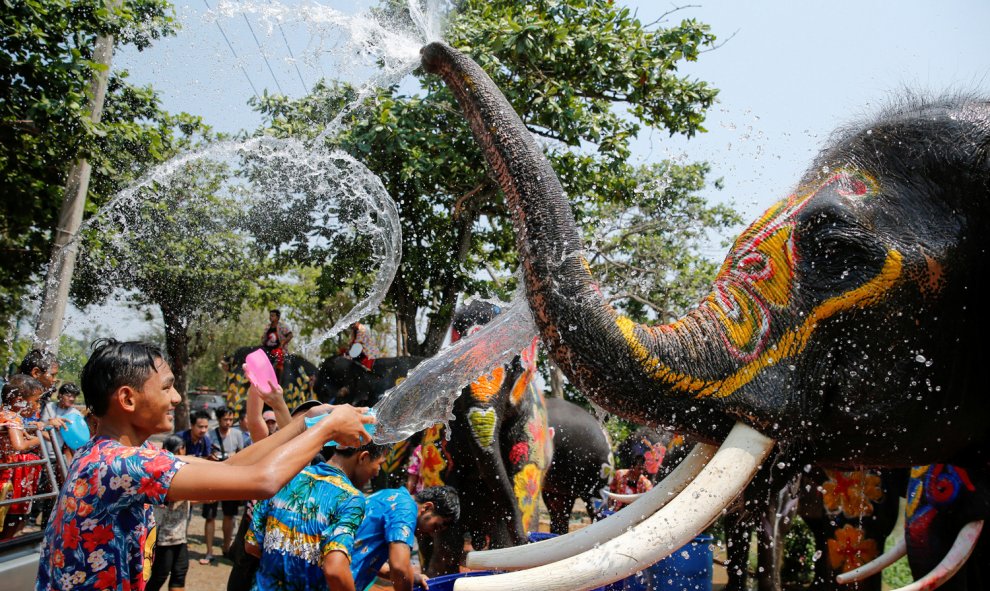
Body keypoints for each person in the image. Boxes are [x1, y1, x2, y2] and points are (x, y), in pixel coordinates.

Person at [35, 338, 374, 591]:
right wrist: (329, 429)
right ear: (127, 398)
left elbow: (231, 469)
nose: (177, 398)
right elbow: (262, 481)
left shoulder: (105, 456)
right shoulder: (123, 465)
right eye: (167, 388)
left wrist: (305, 423)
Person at [246, 440, 390, 591]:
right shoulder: (350, 498)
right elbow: (335, 570)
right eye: (379, 463)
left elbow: (251, 545)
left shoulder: (287, 476)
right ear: (363, 457)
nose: (377, 472)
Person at [350, 485, 461, 591]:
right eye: (435, 526)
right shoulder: (406, 512)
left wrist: (412, 577)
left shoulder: (393, 496)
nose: (432, 534)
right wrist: (404, 575)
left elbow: (371, 563)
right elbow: (399, 568)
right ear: (427, 507)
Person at [0, 374, 66, 539]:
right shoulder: (12, 417)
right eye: (35, 401)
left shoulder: (5, 412)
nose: (37, 407)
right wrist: (38, 437)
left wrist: (35, 426)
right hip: (5, 478)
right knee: (9, 522)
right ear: (18, 401)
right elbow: (19, 445)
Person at [147, 436, 191, 591]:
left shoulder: (182, 469)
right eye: (183, 447)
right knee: (160, 574)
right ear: (179, 449)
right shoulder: (166, 472)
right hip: (164, 536)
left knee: (180, 572)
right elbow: (172, 496)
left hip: (179, 535)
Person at [202, 406, 246, 561]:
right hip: (212, 478)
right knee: (210, 516)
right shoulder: (209, 435)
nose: (228, 422)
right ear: (219, 419)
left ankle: (226, 547)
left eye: (230, 419)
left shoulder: (238, 434)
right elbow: (205, 456)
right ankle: (209, 551)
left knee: (230, 515)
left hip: (229, 479)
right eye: (225, 419)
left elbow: (243, 455)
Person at [261, 309, 293, 379]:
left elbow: (290, 335)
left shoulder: (282, 326)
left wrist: (283, 343)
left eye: (273, 316)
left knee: (279, 358)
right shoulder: (267, 326)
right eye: (270, 316)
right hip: (267, 348)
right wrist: (263, 339)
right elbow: (264, 339)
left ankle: (278, 379)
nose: (270, 317)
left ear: (278, 317)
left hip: (278, 348)